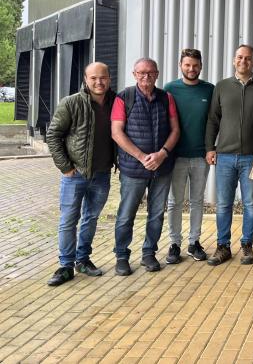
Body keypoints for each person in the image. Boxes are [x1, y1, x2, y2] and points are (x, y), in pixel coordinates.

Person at [46, 62, 116, 286]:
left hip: (102, 173)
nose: (99, 82)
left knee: (91, 218)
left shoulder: (116, 102)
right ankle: (66, 266)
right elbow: (53, 135)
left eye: (103, 77)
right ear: (86, 79)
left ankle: (83, 259)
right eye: (93, 78)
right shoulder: (71, 103)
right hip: (74, 174)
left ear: (109, 79)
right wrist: (65, 166)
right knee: (68, 220)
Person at [205, 44, 253, 266]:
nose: (243, 61)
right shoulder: (222, 86)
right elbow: (213, 120)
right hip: (224, 156)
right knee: (224, 204)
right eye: (240, 57)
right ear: (234, 60)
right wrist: (210, 147)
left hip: (252, 157)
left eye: (248, 58)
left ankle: (247, 245)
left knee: (251, 204)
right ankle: (223, 246)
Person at [112, 58, 180, 275]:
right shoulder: (124, 97)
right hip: (133, 169)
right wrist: (142, 157)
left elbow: (175, 130)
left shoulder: (166, 98)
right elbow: (116, 132)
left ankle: (149, 253)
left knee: (157, 213)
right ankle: (122, 256)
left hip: (162, 167)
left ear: (157, 74)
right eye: (141, 72)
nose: (146, 76)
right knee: (126, 214)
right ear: (134, 74)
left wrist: (162, 154)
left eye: (150, 72)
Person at [163, 49, 215, 264]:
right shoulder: (169, 89)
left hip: (201, 156)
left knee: (197, 201)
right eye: (187, 65)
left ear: (201, 66)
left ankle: (194, 242)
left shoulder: (209, 90)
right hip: (176, 157)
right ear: (180, 65)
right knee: (175, 201)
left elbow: (214, 121)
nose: (191, 69)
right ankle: (174, 244)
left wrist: (212, 148)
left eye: (195, 65)